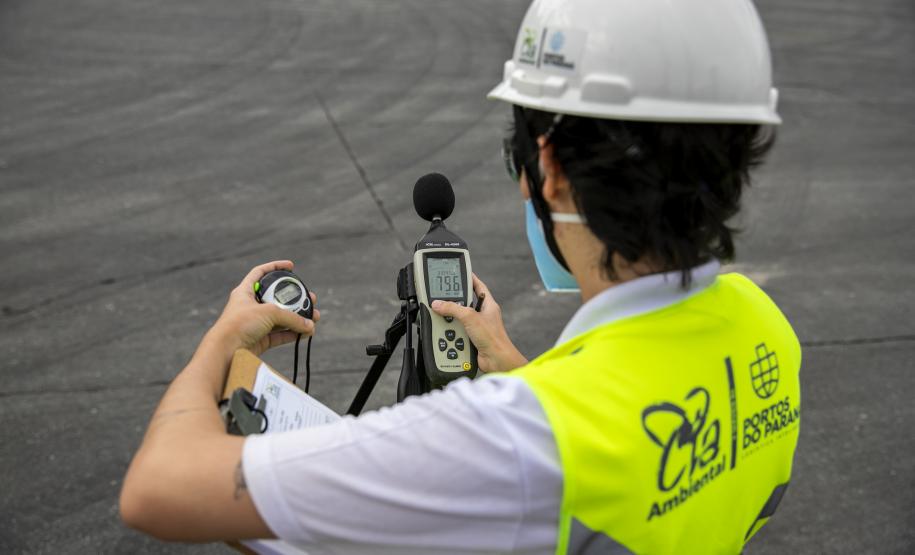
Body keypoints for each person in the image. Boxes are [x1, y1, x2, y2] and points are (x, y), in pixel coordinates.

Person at [120, 0, 802, 553]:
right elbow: (617, 444)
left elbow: (156, 490)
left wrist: (222, 342)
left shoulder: (505, 437)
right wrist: (509, 362)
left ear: (550, 169)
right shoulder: (763, 326)